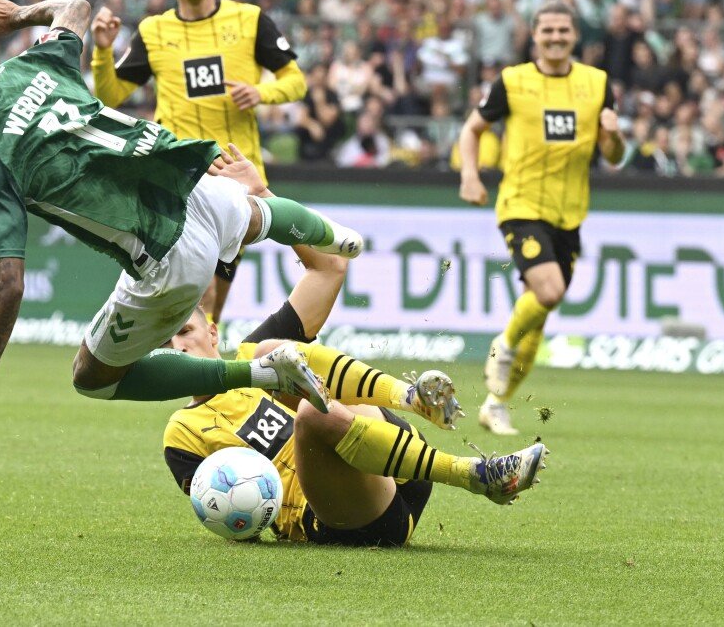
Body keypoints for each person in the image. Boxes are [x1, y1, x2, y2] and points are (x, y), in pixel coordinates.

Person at [0, 0, 362, 431]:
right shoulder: (32, 63)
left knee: (91, 377)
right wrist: (21, 15)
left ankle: (264, 374)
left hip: (166, 256)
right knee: (258, 215)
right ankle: (339, 237)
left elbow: (8, 283)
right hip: (190, 182)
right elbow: (75, 8)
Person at [163, 148, 547, 547]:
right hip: (344, 516)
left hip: (396, 460)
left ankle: (409, 397)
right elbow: (229, 520)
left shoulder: (250, 352)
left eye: (184, 330)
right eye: (165, 340)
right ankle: (475, 474)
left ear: (211, 332)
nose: (177, 344)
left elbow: (330, 266)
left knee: (271, 355)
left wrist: (262, 194)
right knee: (311, 411)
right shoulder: (182, 434)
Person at [89, 0, 307, 325]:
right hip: (178, 177)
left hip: (235, 175)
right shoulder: (154, 31)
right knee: (197, 296)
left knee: (212, 307)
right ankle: (188, 366)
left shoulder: (249, 20)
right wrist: (102, 50)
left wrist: (261, 92)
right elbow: (111, 94)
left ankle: (200, 372)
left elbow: (296, 80)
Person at [458, 0, 625, 436]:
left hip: (570, 214)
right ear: (534, 36)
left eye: (562, 31)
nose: (555, 38)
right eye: (547, 30)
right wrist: (470, 175)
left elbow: (614, 156)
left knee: (541, 310)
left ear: (574, 36)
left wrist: (615, 135)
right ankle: (504, 344)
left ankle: (496, 404)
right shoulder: (513, 82)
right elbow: (471, 129)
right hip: (521, 205)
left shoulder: (597, 83)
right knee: (548, 291)